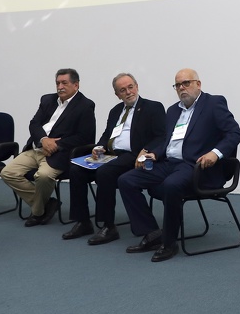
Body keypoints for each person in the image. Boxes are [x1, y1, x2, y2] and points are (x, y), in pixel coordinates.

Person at [117, 68, 240, 261]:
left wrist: (215, 153)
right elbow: (167, 141)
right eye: (178, 85)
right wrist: (154, 154)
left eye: (187, 83)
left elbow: (234, 133)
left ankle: (169, 243)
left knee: (171, 185)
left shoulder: (214, 103)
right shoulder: (173, 110)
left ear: (198, 84)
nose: (182, 88)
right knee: (126, 180)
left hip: (197, 166)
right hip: (169, 163)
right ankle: (152, 233)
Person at [62, 73, 166, 243]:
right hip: (111, 155)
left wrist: (146, 149)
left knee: (105, 173)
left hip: (134, 155)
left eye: (130, 87)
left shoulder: (152, 107)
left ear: (137, 86)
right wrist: (98, 147)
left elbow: (161, 136)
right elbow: (106, 134)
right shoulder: (115, 111)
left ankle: (107, 226)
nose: (128, 92)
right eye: (122, 90)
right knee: (76, 170)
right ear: (117, 95)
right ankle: (82, 221)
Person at [1, 68, 96, 227]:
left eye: (64, 83)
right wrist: (44, 139)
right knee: (7, 173)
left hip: (59, 153)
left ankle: (38, 213)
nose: (60, 87)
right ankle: (47, 204)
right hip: (37, 148)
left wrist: (55, 144)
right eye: (58, 83)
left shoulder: (85, 105)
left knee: (43, 176)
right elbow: (34, 124)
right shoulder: (47, 100)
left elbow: (84, 137)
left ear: (76, 85)